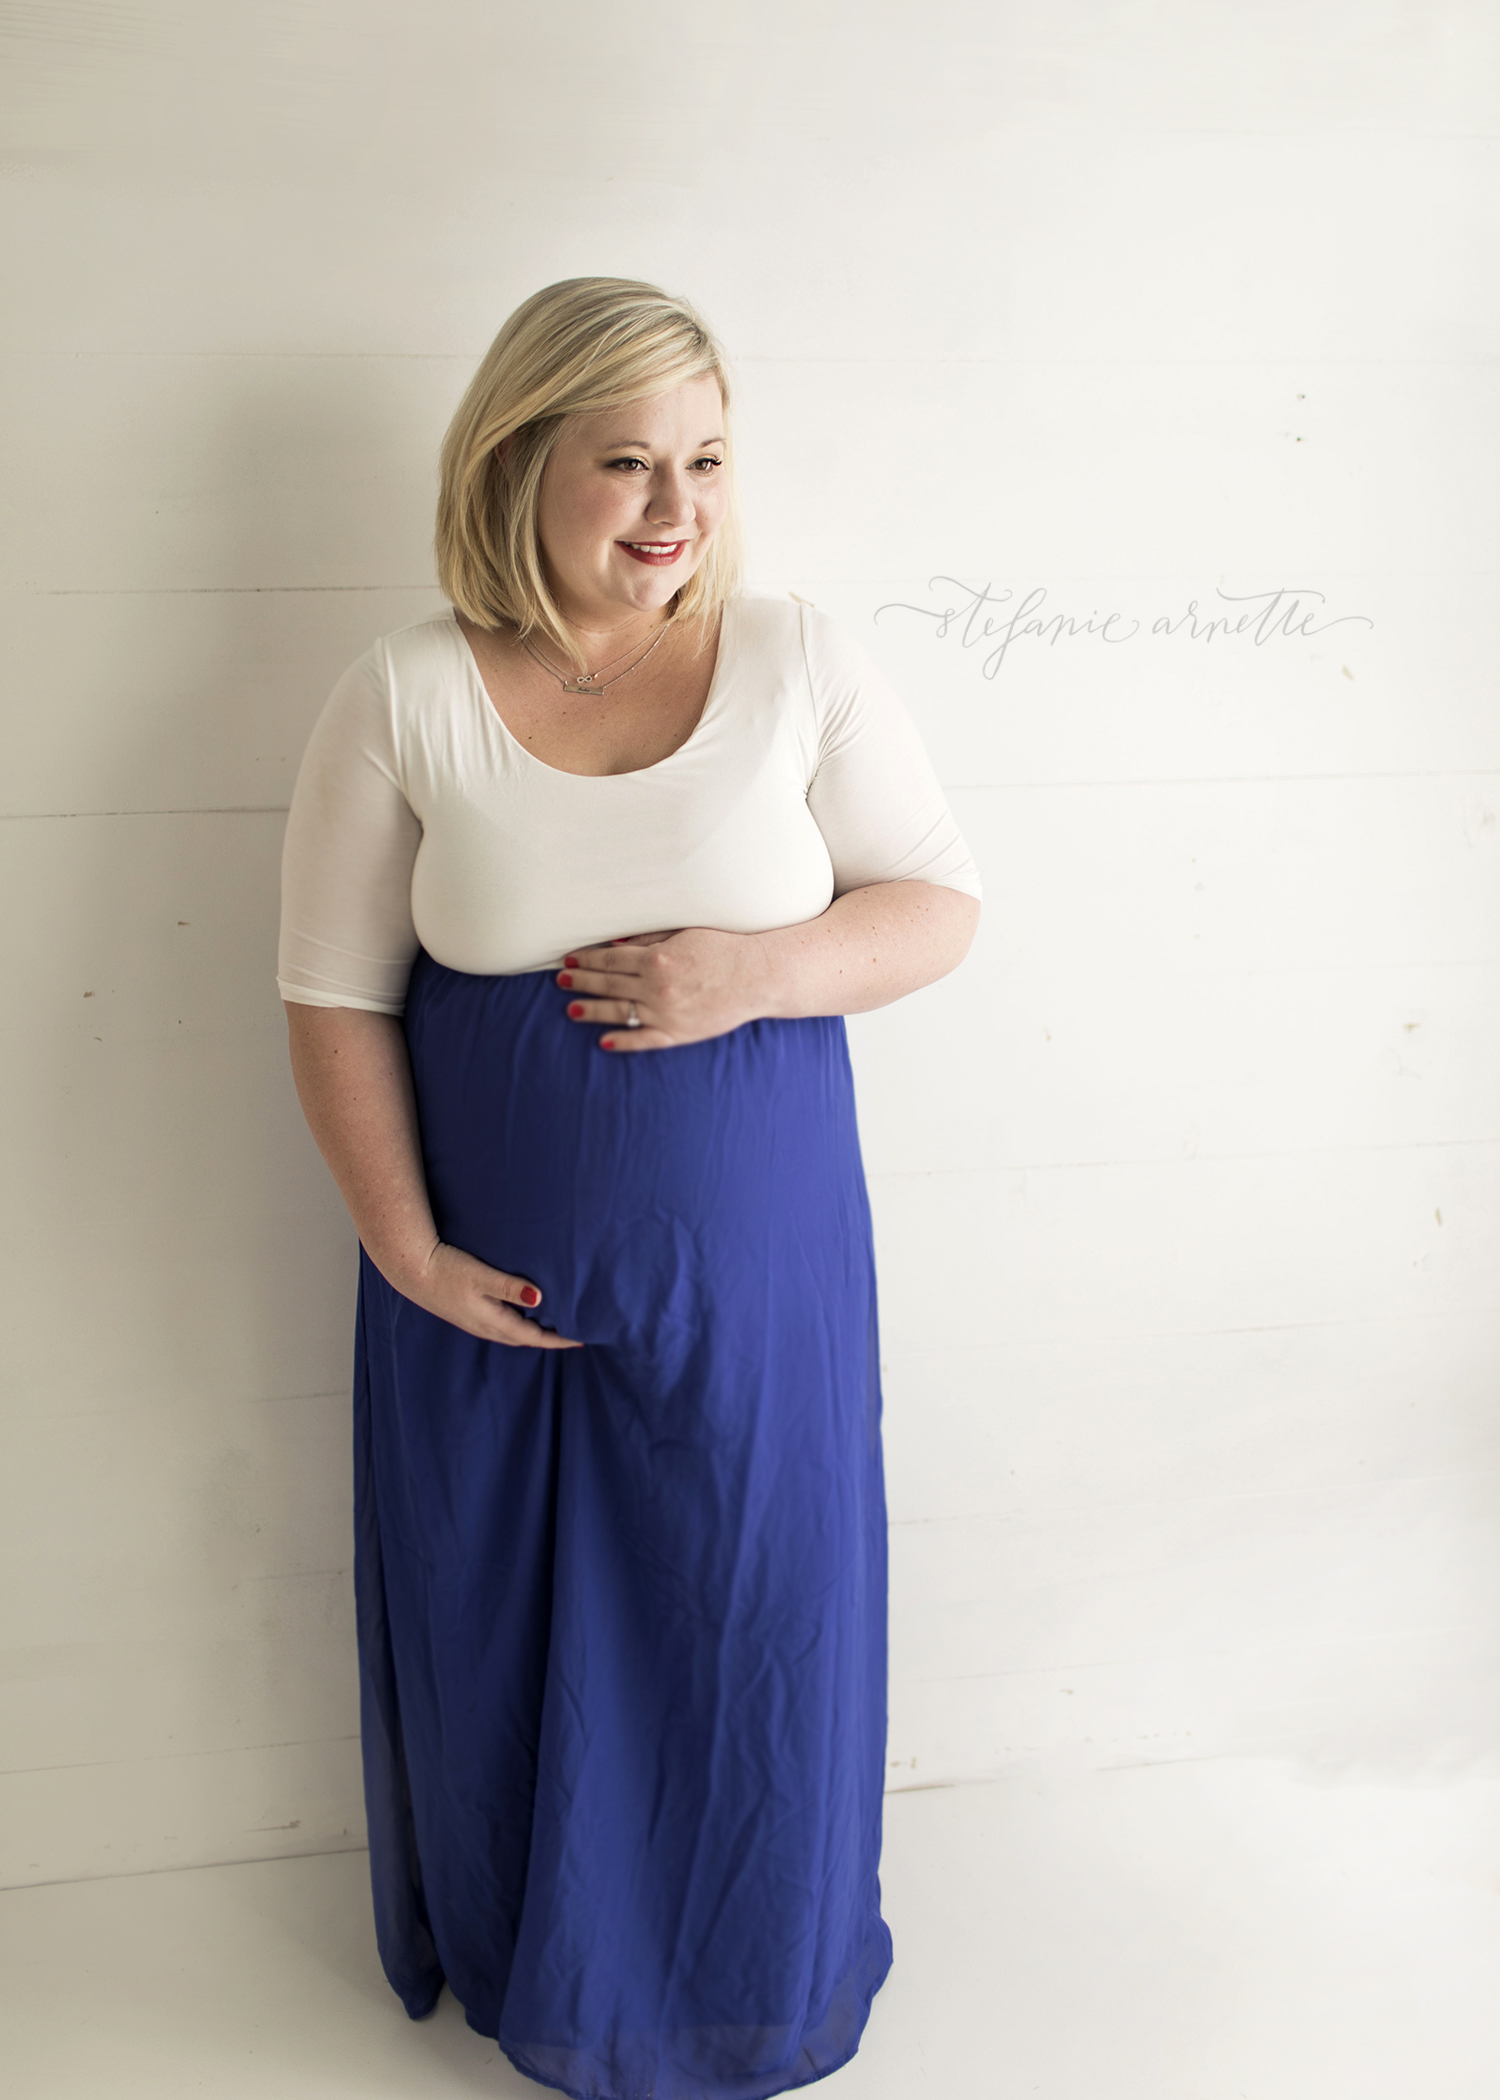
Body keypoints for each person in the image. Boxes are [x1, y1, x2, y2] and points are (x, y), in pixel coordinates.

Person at [278, 276, 981, 2100]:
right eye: (627, 462)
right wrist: (405, 1249)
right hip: (489, 1307)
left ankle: (752, 1980)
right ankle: (538, 1966)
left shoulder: (798, 657)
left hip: (759, 1291)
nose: (677, 507)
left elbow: (935, 904)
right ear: (517, 461)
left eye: (708, 460)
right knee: (507, 1634)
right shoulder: (407, 691)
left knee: (755, 1613)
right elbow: (333, 994)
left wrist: (755, 972)